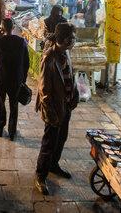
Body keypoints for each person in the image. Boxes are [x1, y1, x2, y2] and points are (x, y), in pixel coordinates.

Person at [35, 23, 79, 195]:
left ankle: (54, 165)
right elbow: (44, 90)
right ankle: (40, 175)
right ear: (66, 40)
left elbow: (71, 76)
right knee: (48, 144)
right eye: (73, 38)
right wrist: (51, 115)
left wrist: (74, 97)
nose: (74, 41)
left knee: (61, 140)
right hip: (54, 111)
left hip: (65, 107)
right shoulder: (49, 58)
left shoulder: (66, 53)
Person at [0, 18, 29, 140]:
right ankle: (12, 131)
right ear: (13, 27)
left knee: (0, 103)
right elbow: (27, 62)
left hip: (1, 78)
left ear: (2, 28)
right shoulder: (21, 42)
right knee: (14, 105)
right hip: (16, 79)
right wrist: (23, 78)